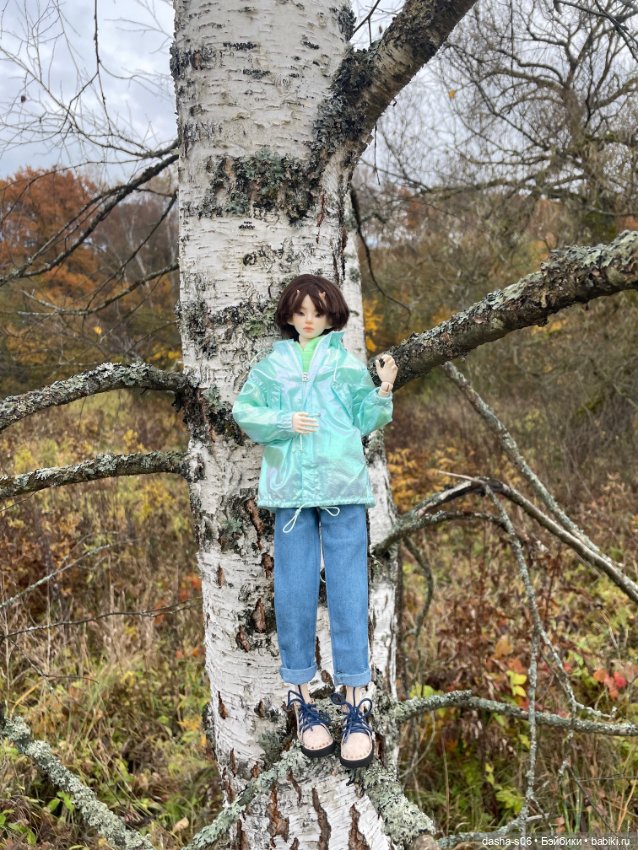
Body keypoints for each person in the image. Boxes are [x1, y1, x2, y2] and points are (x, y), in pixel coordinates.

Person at [232, 273, 397, 768]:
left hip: (342, 488)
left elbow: (364, 418)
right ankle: (300, 697)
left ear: (331, 317)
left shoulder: (343, 363)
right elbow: (245, 410)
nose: (309, 320)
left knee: (349, 589)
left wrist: (383, 389)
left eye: (318, 313)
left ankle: (356, 701)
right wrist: (284, 423)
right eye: (301, 312)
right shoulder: (273, 365)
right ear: (288, 315)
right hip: (291, 495)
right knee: (294, 590)